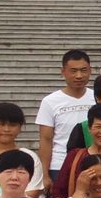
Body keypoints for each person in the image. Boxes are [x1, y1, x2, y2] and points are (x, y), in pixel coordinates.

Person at [37, 50, 95, 187]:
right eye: (73, 71)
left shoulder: (97, 98)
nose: (79, 76)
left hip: (93, 163)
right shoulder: (50, 101)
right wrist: (44, 174)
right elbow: (45, 139)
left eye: (83, 70)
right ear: (63, 71)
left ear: (90, 70)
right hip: (59, 164)